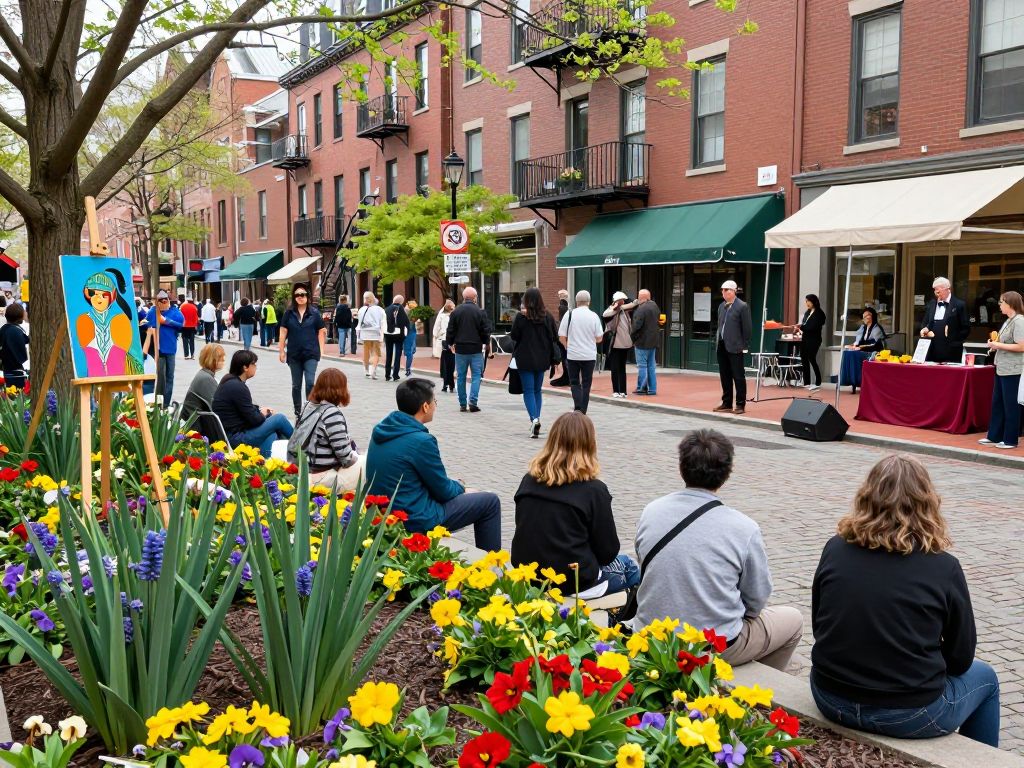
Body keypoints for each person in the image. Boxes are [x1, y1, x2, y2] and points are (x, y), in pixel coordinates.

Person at [810, 454, 999, 747]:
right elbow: (961, 658)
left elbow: (820, 624)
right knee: (986, 678)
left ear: (866, 496)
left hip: (829, 694)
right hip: (909, 711)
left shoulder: (835, 548)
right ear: (927, 502)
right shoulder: (944, 566)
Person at [633, 429, 803, 671]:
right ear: (727, 473)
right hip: (711, 645)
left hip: (651, 635)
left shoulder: (652, 510)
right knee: (793, 620)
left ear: (682, 467)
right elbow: (756, 600)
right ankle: (753, 692)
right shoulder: (744, 527)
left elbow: (645, 565)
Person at [511, 411, 639, 595]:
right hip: (574, 580)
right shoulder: (594, 490)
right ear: (589, 444)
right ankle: (618, 620)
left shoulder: (528, 480)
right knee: (630, 567)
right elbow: (607, 552)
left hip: (528, 573)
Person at [366, 377, 501, 550]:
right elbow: (443, 490)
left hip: (383, 513)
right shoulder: (421, 441)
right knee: (489, 502)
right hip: (415, 518)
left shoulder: (382, 430)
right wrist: (461, 487)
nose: (435, 405)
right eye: (434, 401)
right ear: (425, 406)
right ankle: (492, 567)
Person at [289, 367, 366, 490]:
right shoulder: (332, 413)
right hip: (321, 476)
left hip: (303, 470)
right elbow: (345, 457)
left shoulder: (307, 406)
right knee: (367, 465)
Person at [212, 349, 293, 457]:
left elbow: (246, 410)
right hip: (236, 438)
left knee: (270, 432)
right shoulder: (238, 387)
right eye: (253, 364)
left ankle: (268, 460)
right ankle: (302, 447)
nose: (256, 367)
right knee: (279, 419)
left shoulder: (229, 381)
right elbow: (254, 420)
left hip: (230, 433)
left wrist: (261, 412)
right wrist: (263, 413)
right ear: (245, 367)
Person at [511, 287, 559, 437]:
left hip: (525, 358)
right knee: (537, 390)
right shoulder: (548, 317)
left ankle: (534, 419)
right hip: (542, 358)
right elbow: (554, 337)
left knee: (529, 390)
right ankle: (536, 419)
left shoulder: (521, 317)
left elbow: (514, 336)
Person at [980, 291, 1024, 449]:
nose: (999, 305)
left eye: (1001, 302)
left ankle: (1010, 439)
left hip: (1013, 369)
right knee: (997, 402)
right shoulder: (1008, 321)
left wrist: (997, 345)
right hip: (1002, 367)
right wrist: (994, 343)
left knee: (1011, 404)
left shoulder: (1019, 321)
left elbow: (1021, 346)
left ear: (1010, 304)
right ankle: (994, 436)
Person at [277, 283, 327, 419]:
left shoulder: (314, 313)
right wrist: (281, 350)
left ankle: (309, 409)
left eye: (303, 294)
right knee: (296, 385)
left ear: (307, 296)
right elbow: (283, 332)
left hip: (311, 353)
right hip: (294, 354)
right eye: (297, 294)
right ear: (294, 297)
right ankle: (298, 412)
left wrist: (322, 350)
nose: (300, 297)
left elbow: (321, 331)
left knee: (310, 382)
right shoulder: (289, 313)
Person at [558, 290, 606, 415]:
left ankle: (577, 407)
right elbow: (599, 337)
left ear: (576, 301)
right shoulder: (594, 316)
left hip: (573, 354)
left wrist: (568, 346)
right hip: (589, 355)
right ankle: (583, 410)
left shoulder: (569, 314)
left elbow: (561, 336)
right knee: (586, 383)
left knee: (574, 382)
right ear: (589, 302)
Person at [446, 286, 492, 413]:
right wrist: (485, 343)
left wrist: (450, 343)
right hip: (476, 349)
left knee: (461, 376)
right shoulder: (480, 312)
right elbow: (485, 330)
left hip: (460, 349)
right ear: (475, 298)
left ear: (464, 297)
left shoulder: (456, 312)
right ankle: (473, 401)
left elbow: (450, 330)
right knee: (476, 375)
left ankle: (462, 403)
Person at [714, 280, 752, 416]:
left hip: (736, 346)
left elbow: (747, 329)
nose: (724, 292)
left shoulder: (742, 306)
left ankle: (740, 404)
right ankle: (727, 402)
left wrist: (744, 345)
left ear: (734, 291)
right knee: (725, 375)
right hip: (722, 344)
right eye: (723, 290)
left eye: (727, 290)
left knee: (738, 376)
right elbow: (720, 325)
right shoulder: (721, 306)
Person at [143, 291, 184, 408]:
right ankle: (158, 403)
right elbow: (145, 324)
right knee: (161, 377)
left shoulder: (175, 312)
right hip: (158, 350)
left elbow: (181, 325)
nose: (163, 302)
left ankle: (165, 404)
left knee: (170, 377)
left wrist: (165, 321)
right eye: (160, 300)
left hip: (170, 349)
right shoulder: (152, 311)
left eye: (165, 299)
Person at [920, 277, 970, 363]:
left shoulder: (959, 305)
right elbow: (925, 323)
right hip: (932, 350)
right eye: (935, 291)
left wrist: (954, 340)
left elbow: (966, 328)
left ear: (947, 289)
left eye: (938, 291)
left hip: (951, 351)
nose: (936, 294)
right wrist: (925, 330)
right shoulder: (932, 304)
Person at [841, 307, 886, 394]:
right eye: (863, 316)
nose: (864, 318)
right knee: (847, 353)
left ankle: (858, 381)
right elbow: (859, 341)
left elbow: (877, 345)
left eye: (866, 316)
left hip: (873, 352)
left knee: (854, 355)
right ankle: (851, 380)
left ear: (871, 316)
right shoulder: (863, 328)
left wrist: (862, 348)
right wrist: (853, 346)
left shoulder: (876, 328)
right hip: (863, 350)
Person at [602, 291, 637, 399]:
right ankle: (616, 390)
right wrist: (616, 308)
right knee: (615, 368)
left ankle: (623, 391)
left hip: (625, 345)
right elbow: (605, 315)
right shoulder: (611, 310)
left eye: (623, 300)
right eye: (621, 300)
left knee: (622, 368)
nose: (623, 302)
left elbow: (632, 305)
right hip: (615, 344)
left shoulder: (625, 311)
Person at [181, 342, 225, 422]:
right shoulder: (206, 378)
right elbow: (216, 407)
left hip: (200, 421)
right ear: (212, 359)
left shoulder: (205, 374)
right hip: (198, 426)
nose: (223, 359)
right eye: (220, 357)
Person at [631, 289, 660, 396]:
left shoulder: (641, 309)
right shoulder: (655, 306)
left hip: (642, 342)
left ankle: (641, 388)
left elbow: (636, 327)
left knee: (642, 366)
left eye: (638, 296)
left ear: (642, 297)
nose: (637, 298)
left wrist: (633, 339)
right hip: (653, 341)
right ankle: (652, 389)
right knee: (651, 366)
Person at [796, 293, 826, 391]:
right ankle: (807, 382)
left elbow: (812, 327)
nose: (807, 303)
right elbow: (804, 323)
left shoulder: (819, 313)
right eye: (806, 301)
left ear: (814, 301)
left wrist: (801, 327)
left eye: (808, 301)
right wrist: (800, 326)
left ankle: (818, 381)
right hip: (805, 338)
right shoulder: (807, 312)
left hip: (814, 339)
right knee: (804, 358)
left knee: (811, 358)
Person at [356, 292, 386, 379]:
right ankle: (372, 370)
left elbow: (359, 322)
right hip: (376, 334)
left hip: (365, 334)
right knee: (376, 352)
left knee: (366, 352)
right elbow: (383, 323)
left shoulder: (361, 310)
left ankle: (366, 370)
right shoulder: (380, 310)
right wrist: (383, 334)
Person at [0, 303, 29, 390]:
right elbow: (21, 356)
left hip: (8, 371)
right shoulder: (14, 331)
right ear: (19, 316)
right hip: (16, 373)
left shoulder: (5, 328)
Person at [383, 294, 410, 382]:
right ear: (401, 301)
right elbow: (406, 322)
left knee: (389, 354)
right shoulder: (401, 309)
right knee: (397, 354)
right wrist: (406, 333)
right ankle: (395, 374)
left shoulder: (387, 309)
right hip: (398, 335)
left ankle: (387, 374)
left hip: (388, 334)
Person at [432, 299, 456, 392]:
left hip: (444, 341)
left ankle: (446, 384)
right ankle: (451, 385)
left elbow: (436, 329)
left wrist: (437, 338)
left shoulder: (441, 316)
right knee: (451, 363)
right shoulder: (454, 315)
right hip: (452, 341)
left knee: (445, 363)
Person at [551, 289, 571, 386]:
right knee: (564, 356)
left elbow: (563, 322)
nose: (560, 296)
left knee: (565, 356)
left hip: (564, 336)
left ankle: (568, 377)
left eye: (561, 295)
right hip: (565, 335)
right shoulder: (565, 306)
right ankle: (567, 376)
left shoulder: (562, 307)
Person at [403, 299, 419, 376]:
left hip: (410, 333)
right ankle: (408, 369)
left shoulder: (408, 311)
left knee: (410, 351)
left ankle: (408, 368)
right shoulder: (408, 312)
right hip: (410, 333)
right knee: (410, 352)